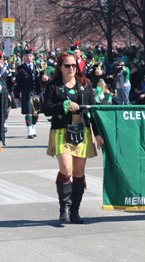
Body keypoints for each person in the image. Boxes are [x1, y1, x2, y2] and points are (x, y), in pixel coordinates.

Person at [43, 51, 104, 224]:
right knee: (67, 169)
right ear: (60, 67)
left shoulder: (85, 84)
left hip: (82, 130)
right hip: (61, 130)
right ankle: (64, 206)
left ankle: (74, 210)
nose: (71, 68)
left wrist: (98, 133)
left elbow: (93, 110)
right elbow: (46, 108)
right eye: (67, 65)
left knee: (78, 172)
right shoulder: (53, 85)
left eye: (74, 65)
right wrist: (63, 106)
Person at [15, 49, 50, 138]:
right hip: (27, 93)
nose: (28, 58)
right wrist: (16, 95)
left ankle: (33, 128)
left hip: (37, 93)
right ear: (24, 57)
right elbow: (17, 83)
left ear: (33, 57)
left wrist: (47, 77)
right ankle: (29, 130)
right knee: (28, 112)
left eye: (30, 56)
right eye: (26, 56)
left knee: (36, 112)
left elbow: (47, 74)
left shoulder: (38, 66)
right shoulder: (20, 69)